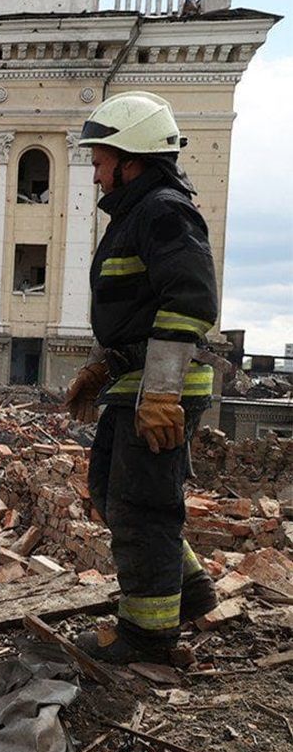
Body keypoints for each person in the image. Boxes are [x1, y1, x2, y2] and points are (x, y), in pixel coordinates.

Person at [65, 91, 220, 664]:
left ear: (130, 158)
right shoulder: (138, 214)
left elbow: (190, 301)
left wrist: (159, 391)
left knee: (144, 508)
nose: (97, 171)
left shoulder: (162, 210)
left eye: (102, 158)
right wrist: (102, 368)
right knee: (113, 494)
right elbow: (138, 313)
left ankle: (147, 635)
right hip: (136, 388)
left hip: (164, 392)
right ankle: (191, 590)